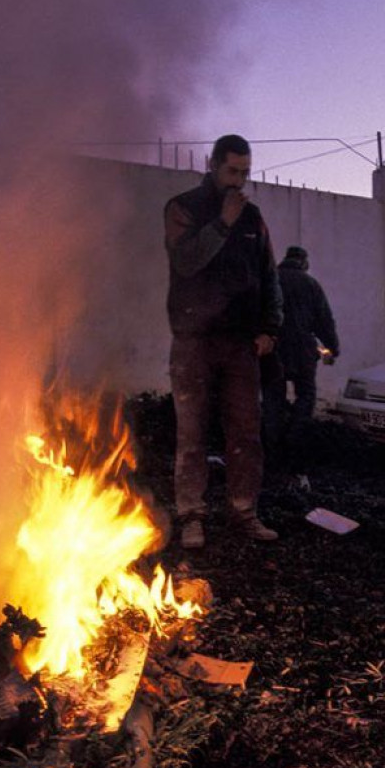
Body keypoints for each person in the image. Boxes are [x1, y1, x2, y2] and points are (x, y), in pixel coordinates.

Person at [164, 134, 283, 550]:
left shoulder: (254, 218)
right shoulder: (183, 208)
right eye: (232, 171)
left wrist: (270, 327)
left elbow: (269, 276)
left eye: (245, 172)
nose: (238, 181)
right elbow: (186, 261)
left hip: (240, 344)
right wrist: (222, 223)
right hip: (193, 340)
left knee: (246, 432)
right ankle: (192, 516)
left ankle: (243, 510)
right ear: (213, 165)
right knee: (192, 433)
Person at [262, 245, 340, 482]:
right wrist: (332, 348)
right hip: (304, 353)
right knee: (305, 398)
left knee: (272, 402)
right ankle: (296, 447)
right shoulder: (310, 284)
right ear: (304, 262)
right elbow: (324, 320)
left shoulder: (271, 280)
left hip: (272, 351)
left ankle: (271, 459)